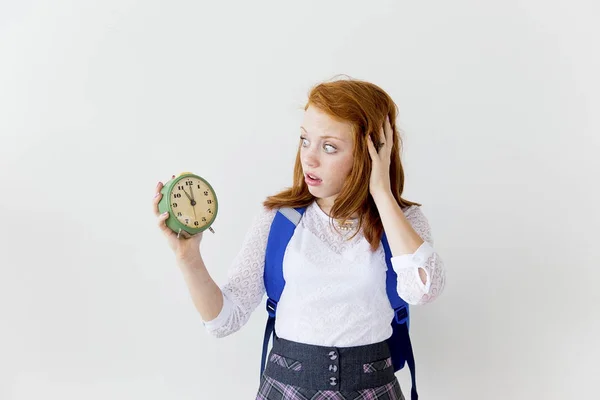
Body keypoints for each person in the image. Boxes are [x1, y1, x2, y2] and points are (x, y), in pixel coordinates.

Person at [153, 77, 446, 400]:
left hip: (373, 390)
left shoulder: (403, 222)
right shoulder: (280, 220)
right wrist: (188, 257)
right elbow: (225, 320)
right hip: (285, 390)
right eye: (305, 140)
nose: (309, 158)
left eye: (329, 146)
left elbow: (424, 289)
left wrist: (381, 191)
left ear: (372, 152)